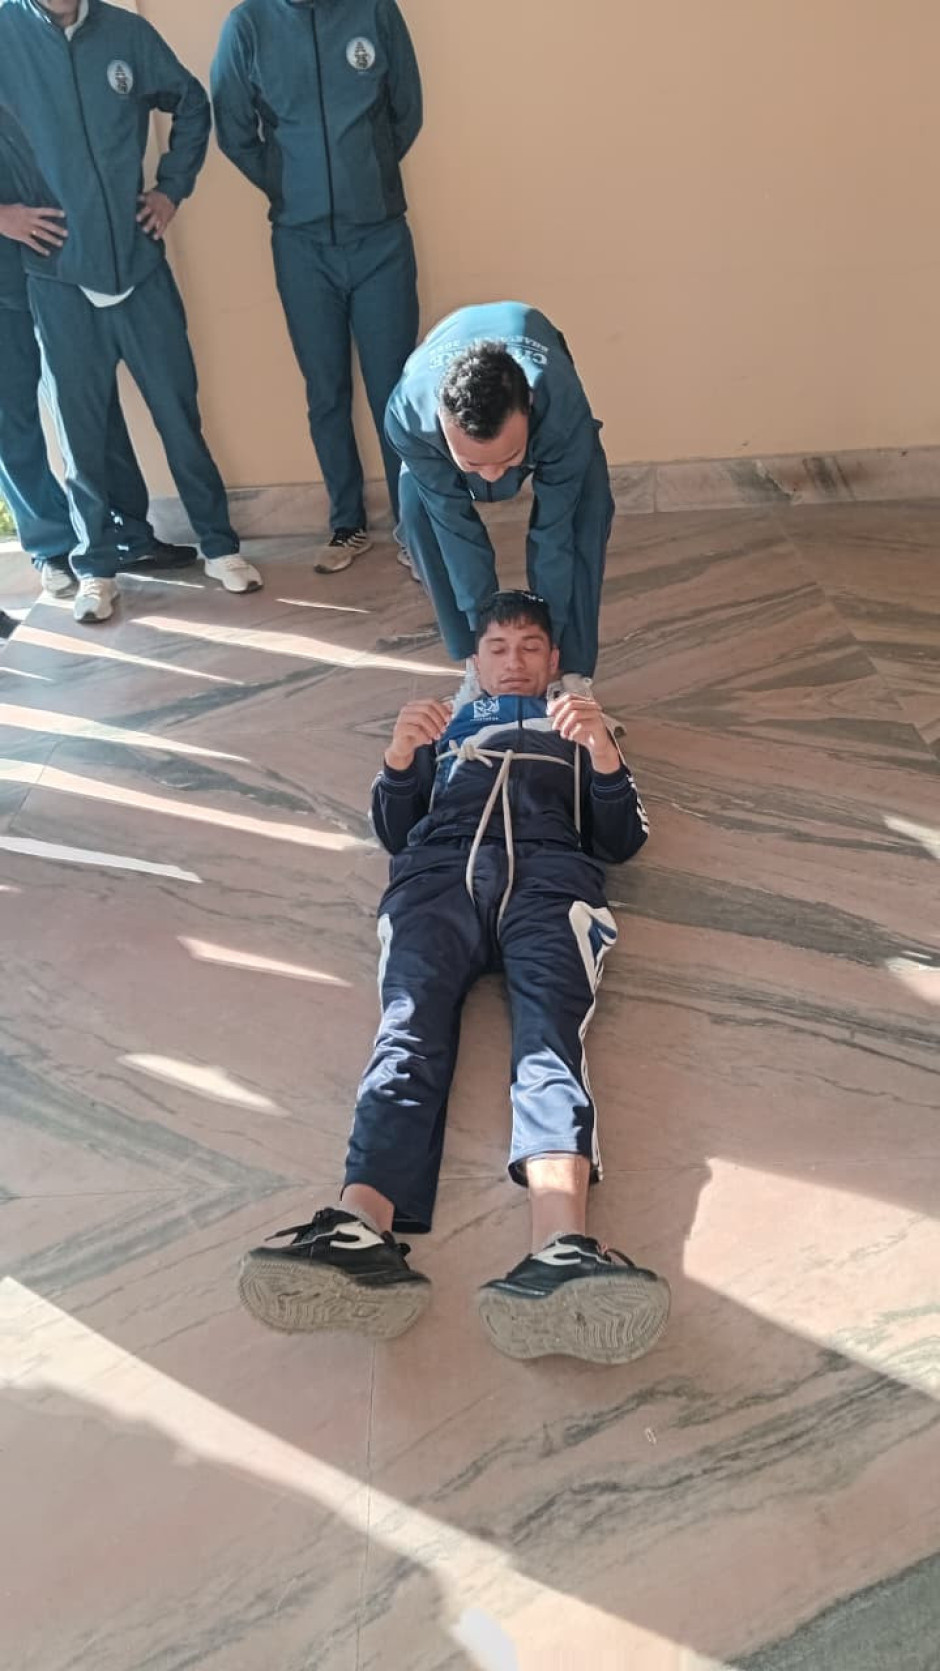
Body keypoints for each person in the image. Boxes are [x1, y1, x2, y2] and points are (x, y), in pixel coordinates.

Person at [238, 591, 670, 1365]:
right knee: (407, 1031)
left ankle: (560, 1245)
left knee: (548, 1044)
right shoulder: (446, 725)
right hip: (435, 884)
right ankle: (358, 1228)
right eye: (498, 648)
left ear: (554, 660)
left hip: (550, 886)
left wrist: (604, 754)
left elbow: (622, 840)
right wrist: (399, 758)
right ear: (475, 662)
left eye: (530, 647)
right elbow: (394, 830)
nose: (514, 661)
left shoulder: (580, 724)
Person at [0, 0, 262, 625]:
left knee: (179, 416)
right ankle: (95, 569)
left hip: (140, 271)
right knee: (80, 437)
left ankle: (219, 546)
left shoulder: (126, 33)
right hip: (58, 279)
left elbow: (191, 102)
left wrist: (171, 189)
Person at [211, 0, 422, 574]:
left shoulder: (374, 11)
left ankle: (413, 526)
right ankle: (347, 524)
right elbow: (234, 129)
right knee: (326, 392)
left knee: (395, 392)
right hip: (301, 246)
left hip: (380, 238)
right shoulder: (248, 24)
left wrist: (368, 174)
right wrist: (288, 186)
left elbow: (407, 109)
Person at [0, 126, 198, 599]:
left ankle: (128, 535)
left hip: (64, 266)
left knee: (95, 410)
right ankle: (52, 546)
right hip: (6, 286)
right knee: (11, 423)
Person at [385, 302, 616, 698]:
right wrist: (487, 640)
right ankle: (474, 666)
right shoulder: (408, 417)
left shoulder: (560, 406)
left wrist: (547, 640)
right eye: (474, 463)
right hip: (430, 441)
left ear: (529, 406)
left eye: (508, 458)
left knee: (587, 511)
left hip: (556, 417)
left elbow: (554, 531)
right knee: (419, 512)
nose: (492, 475)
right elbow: (455, 529)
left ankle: (572, 676)